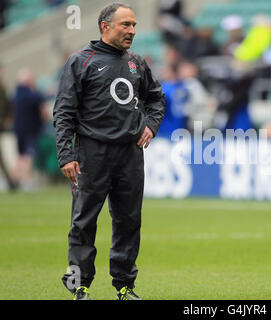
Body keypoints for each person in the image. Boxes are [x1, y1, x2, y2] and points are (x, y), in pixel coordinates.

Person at [53, 2, 165, 300]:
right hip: (92, 153)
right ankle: (79, 286)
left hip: (130, 154)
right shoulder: (81, 61)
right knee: (84, 221)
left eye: (134, 25)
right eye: (125, 25)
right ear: (105, 26)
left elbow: (156, 99)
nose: (132, 31)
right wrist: (67, 154)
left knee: (129, 222)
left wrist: (151, 126)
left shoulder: (137, 63)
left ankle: (125, 286)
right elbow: (64, 112)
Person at [10, 68, 47, 191]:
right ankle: (26, 181)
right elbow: (43, 107)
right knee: (28, 156)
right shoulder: (31, 95)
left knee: (20, 156)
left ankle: (12, 180)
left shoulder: (15, 94)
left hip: (18, 129)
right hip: (30, 130)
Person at [0, 62, 16, 191]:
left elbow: (8, 105)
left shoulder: (2, 86)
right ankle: (10, 182)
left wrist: (8, 118)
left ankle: (10, 182)